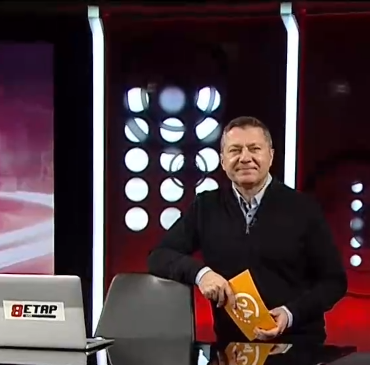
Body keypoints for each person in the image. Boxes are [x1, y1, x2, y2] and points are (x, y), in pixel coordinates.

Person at [148, 116, 347, 343]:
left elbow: (334, 282)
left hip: (297, 344)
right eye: (235, 150)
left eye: (254, 149)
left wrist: (291, 313)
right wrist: (201, 274)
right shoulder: (206, 207)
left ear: (270, 156)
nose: (245, 158)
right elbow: (159, 256)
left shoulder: (303, 208)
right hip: (233, 348)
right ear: (223, 160)